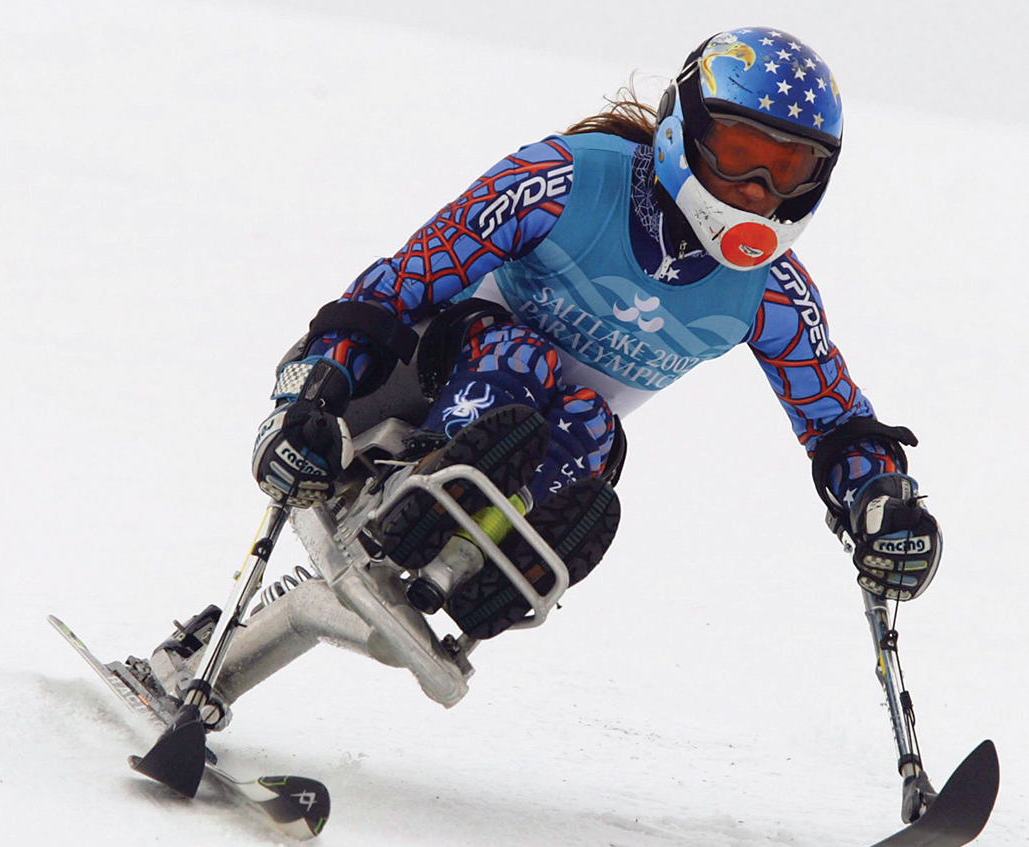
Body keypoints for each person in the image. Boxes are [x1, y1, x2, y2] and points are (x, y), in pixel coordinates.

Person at [250, 25, 942, 646]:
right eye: (738, 155)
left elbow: (837, 422)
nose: (759, 191)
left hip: (528, 450)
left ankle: (476, 557)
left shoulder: (773, 293)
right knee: (524, 358)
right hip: (406, 386)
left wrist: (883, 500)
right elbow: (396, 287)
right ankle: (425, 487)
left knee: (594, 427)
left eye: (789, 170)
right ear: (684, 129)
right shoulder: (563, 179)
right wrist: (311, 389)